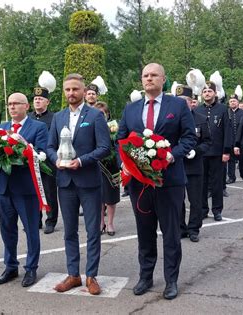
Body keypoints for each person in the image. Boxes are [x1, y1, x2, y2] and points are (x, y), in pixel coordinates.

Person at [117, 64, 197, 300]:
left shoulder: (178, 106)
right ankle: (146, 276)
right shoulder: (131, 109)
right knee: (144, 231)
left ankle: (171, 280)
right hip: (139, 184)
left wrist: (172, 154)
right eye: (145, 75)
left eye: (153, 75)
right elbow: (120, 139)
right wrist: (125, 161)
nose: (149, 79)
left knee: (171, 232)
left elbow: (189, 137)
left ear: (163, 79)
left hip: (169, 180)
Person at [47, 73, 111, 295]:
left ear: (84, 91)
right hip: (65, 182)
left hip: (89, 181)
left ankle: (91, 276)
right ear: (63, 92)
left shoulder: (95, 116)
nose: (71, 93)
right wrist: (55, 159)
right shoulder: (58, 117)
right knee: (69, 231)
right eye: (67, 90)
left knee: (93, 231)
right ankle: (73, 274)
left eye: (75, 89)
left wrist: (81, 161)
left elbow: (105, 148)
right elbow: (49, 146)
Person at [0, 92, 48, 287]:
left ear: (26, 106)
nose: (12, 107)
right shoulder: (1, 128)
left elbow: (41, 154)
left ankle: (31, 268)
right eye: (9, 104)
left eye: (16, 103)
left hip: (26, 188)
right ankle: (10, 266)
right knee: (7, 229)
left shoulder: (38, 127)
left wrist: (24, 149)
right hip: (4, 187)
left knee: (31, 229)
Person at [175, 85, 212, 243]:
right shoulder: (171, 119)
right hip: (176, 165)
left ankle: (194, 229)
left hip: (195, 165)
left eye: (185, 101)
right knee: (177, 200)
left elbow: (208, 142)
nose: (182, 104)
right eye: (179, 101)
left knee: (195, 200)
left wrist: (197, 151)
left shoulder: (201, 119)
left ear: (192, 102)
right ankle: (181, 228)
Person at [194, 81, 232, 221]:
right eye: (204, 91)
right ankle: (203, 210)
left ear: (215, 93)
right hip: (201, 153)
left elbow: (227, 131)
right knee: (201, 184)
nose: (207, 93)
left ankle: (217, 210)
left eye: (210, 91)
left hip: (217, 153)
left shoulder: (223, 109)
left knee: (217, 184)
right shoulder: (197, 110)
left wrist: (226, 151)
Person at [28, 87, 59, 234]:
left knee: (49, 193)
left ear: (47, 101)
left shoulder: (54, 118)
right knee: (33, 192)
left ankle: (51, 221)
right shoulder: (28, 118)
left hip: (47, 162)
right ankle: (36, 220)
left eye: (40, 99)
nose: (37, 101)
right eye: (35, 99)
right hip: (29, 162)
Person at [94, 101, 120, 236]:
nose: (100, 116)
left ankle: (110, 223)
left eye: (102, 113)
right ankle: (100, 222)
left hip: (112, 167)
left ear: (107, 114)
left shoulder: (114, 127)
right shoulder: (90, 126)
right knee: (98, 197)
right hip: (95, 166)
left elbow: (118, 146)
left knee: (111, 197)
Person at [226, 94, 243, 184]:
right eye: (231, 101)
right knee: (231, 160)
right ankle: (231, 177)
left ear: (238, 102)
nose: (232, 103)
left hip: (241, 141)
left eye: (234, 101)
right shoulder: (226, 113)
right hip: (230, 140)